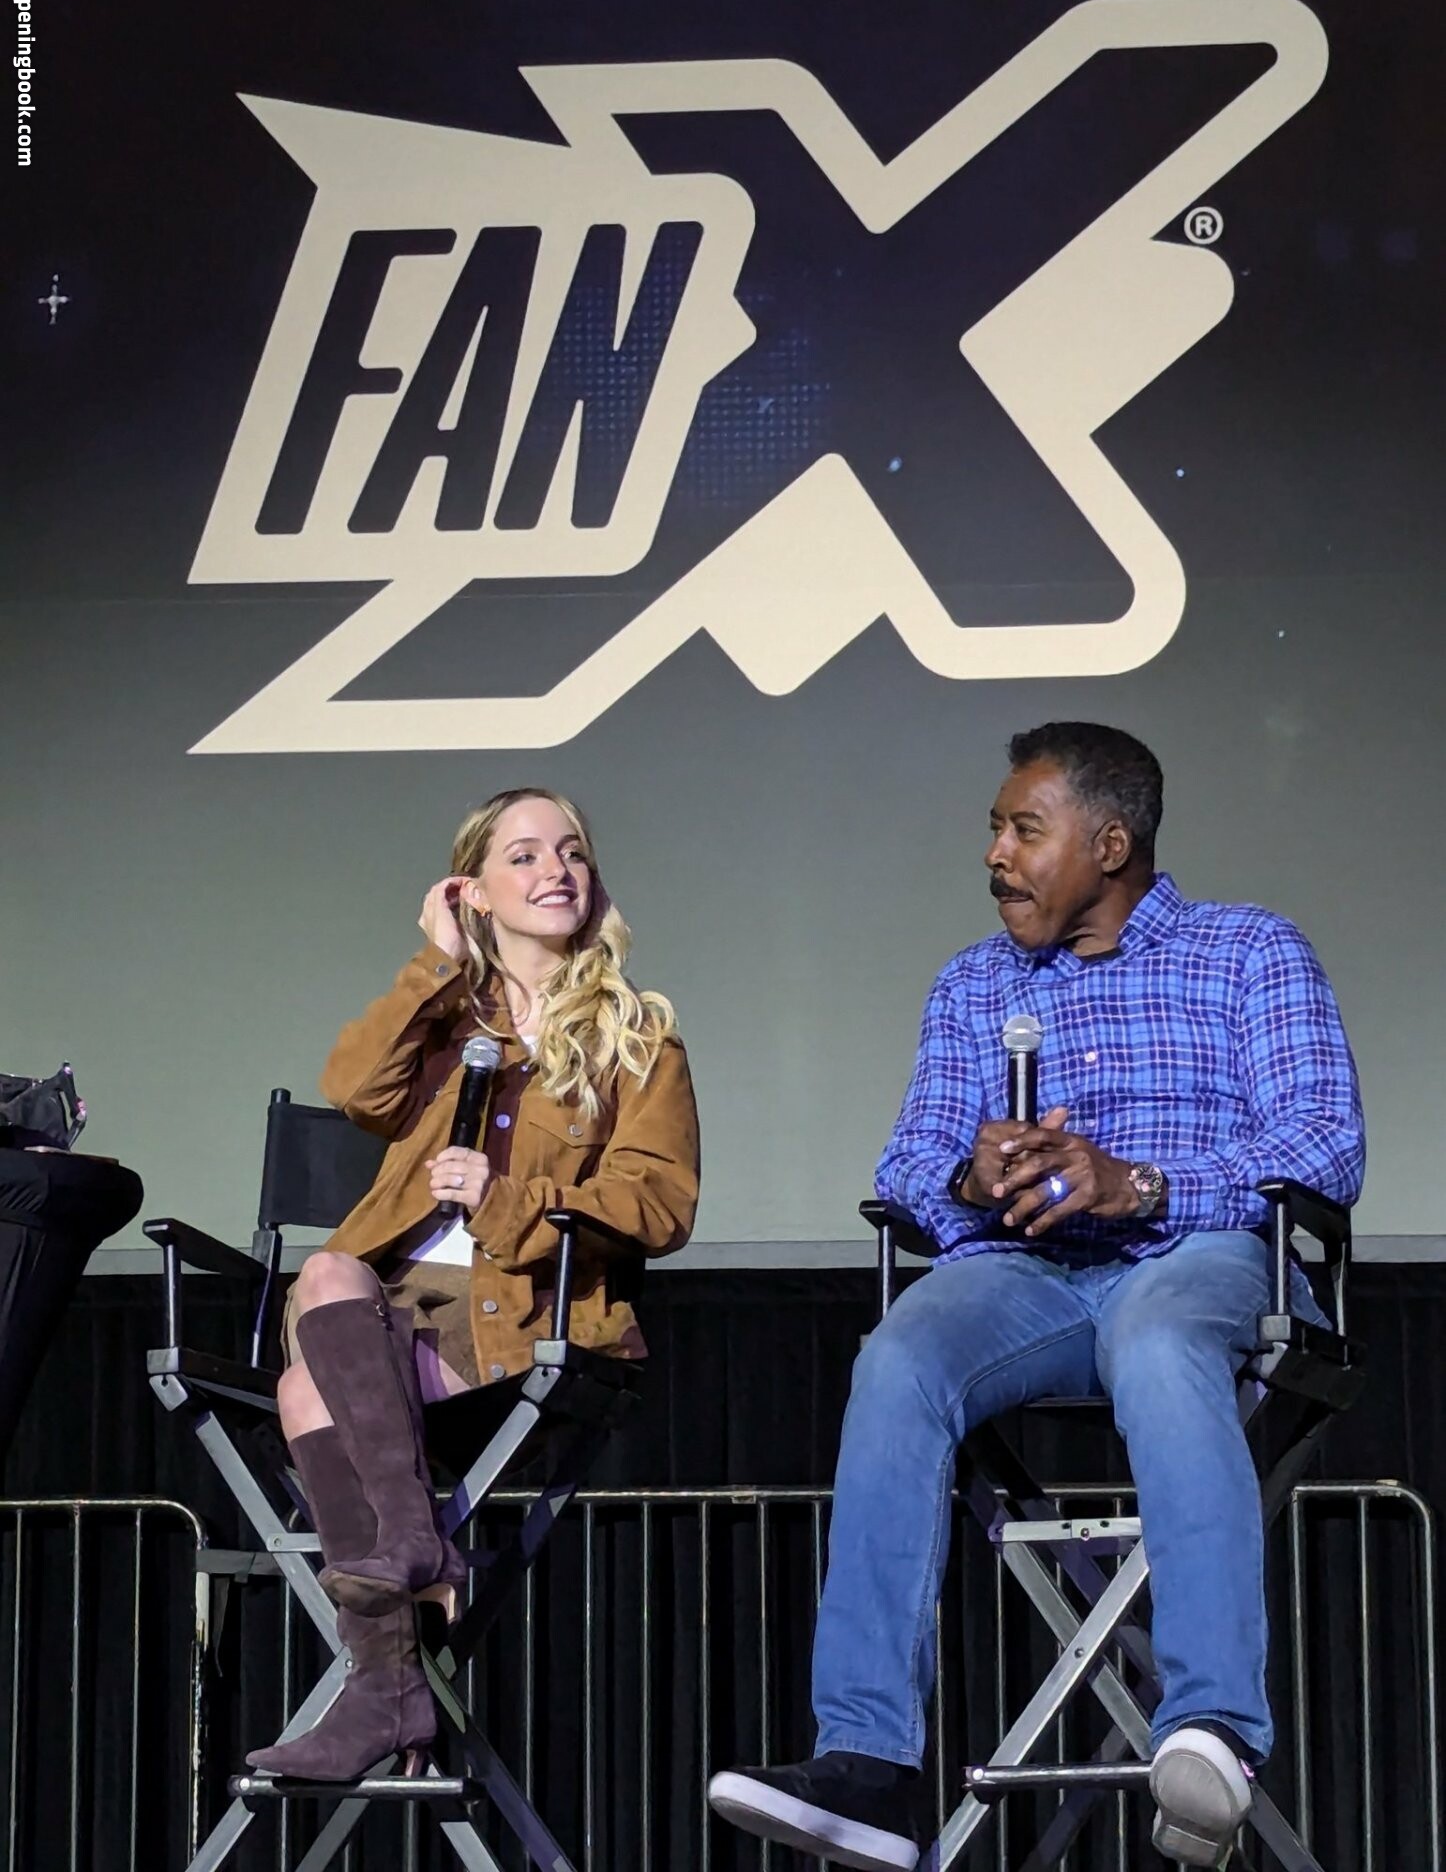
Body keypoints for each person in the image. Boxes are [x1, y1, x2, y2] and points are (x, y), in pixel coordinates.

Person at [709, 722, 1364, 1871]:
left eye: (1024, 829)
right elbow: (906, 1169)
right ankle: (869, 1766)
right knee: (899, 1357)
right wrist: (976, 1177)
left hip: (1201, 1256)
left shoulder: (1248, 949)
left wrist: (1137, 1181)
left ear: (1109, 844)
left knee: (1158, 1337)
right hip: (1029, 1275)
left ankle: (1211, 1729)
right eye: (994, 831)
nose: (996, 855)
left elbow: (1324, 1143)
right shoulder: (974, 984)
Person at [246, 787, 700, 1779]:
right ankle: (418, 1559)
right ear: (475, 891)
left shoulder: (636, 1038)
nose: (556, 871)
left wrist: (507, 1200)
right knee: (329, 1274)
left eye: (571, 851)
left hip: (523, 1316)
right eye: (524, 856)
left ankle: (387, 1680)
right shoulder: (447, 1016)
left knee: (304, 1387)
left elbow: (659, 1205)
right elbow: (354, 1091)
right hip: (387, 1308)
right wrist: (437, 963)